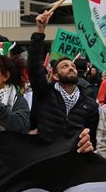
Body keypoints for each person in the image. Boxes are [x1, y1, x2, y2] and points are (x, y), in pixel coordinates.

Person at [29, 9, 100, 145]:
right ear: (55, 76)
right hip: (46, 156)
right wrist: (40, 31)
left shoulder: (89, 103)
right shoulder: (45, 93)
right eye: (65, 66)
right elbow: (34, 66)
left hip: (74, 159)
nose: (71, 68)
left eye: (72, 66)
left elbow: (93, 139)